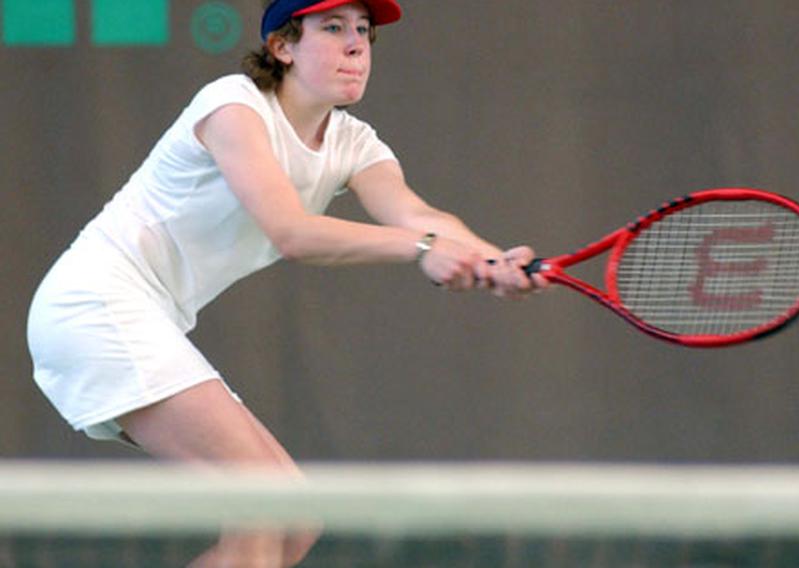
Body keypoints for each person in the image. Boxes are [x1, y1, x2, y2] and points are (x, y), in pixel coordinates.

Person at [26, 0, 547, 565]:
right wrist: (423, 250)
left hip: (141, 319)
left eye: (364, 32)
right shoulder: (233, 107)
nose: (356, 46)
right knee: (260, 507)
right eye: (333, 29)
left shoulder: (354, 143)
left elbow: (416, 215)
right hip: (94, 307)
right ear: (282, 47)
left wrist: (493, 261)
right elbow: (292, 232)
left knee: (295, 520)